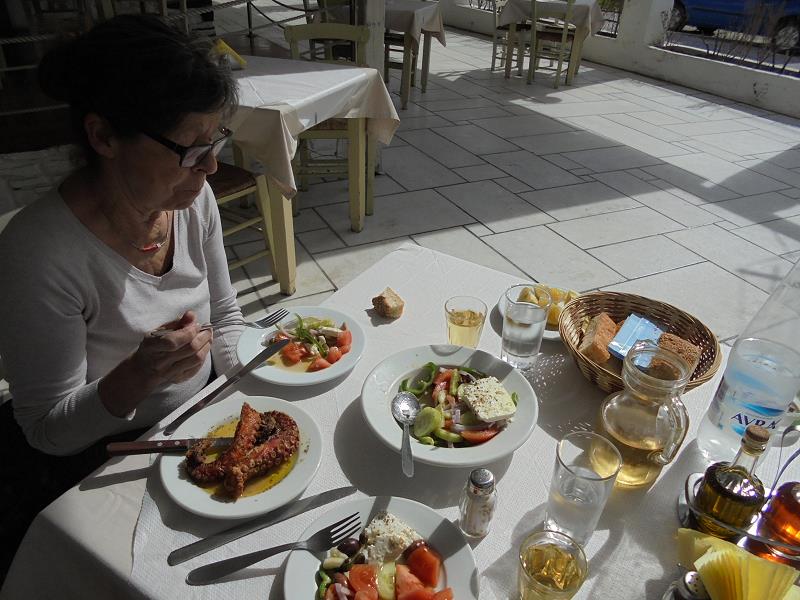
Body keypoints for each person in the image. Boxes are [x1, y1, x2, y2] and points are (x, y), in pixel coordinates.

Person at [0, 14, 245, 575]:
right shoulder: (40, 253)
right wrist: (138, 375)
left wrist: (245, 384)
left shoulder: (190, 200)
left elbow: (227, 316)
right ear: (104, 137)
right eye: (191, 150)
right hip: (105, 460)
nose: (210, 168)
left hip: (197, 425)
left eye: (216, 142)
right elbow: (46, 431)